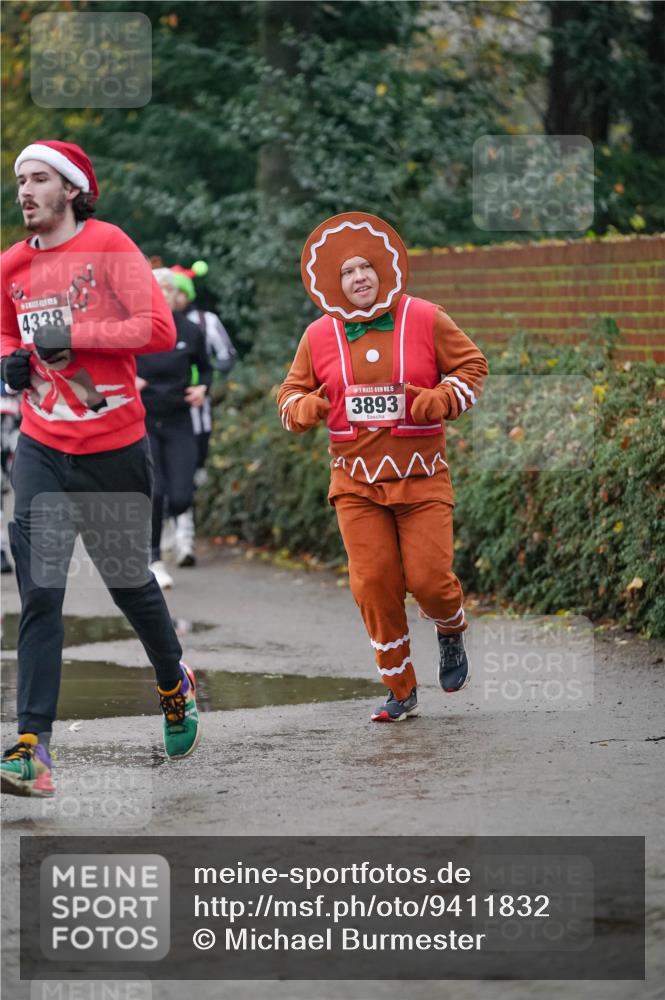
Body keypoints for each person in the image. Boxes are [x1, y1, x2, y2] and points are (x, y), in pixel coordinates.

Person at [0, 140, 201, 797]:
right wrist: (12, 358)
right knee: (40, 592)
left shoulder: (110, 245)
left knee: (127, 582)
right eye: (19, 181)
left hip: (113, 444)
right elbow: (6, 332)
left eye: (37, 180)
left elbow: (158, 330)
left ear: (70, 188)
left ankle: (173, 679)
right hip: (40, 446)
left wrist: (75, 336)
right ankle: (33, 748)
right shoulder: (10, 266)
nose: (25, 191)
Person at [277, 212, 489, 723]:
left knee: (431, 579)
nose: (358, 278)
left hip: (422, 474)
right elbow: (289, 395)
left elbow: (473, 367)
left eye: (366, 267)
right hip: (355, 483)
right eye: (348, 272)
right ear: (335, 282)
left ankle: (450, 627)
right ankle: (400, 687)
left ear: (385, 270)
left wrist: (441, 398)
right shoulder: (317, 336)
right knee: (373, 583)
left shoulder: (425, 316)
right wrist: (306, 409)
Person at [136, 268, 212, 588]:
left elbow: (205, 369)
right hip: (146, 420)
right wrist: (130, 380)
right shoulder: (136, 330)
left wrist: (203, 389)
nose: (163, 294)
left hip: (181, 421)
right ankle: (153, 559)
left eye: (168, 289)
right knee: (156, 490)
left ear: (175, 295)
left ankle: (169, 523)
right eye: (156, 288)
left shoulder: (191, 331)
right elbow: (114, 364)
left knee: (181, 496)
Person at [165, 260, 237, 567]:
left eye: (181, 292)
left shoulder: (206, 323)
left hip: (198, 415)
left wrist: (203, 380)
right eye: (172, 292)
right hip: (165, 413)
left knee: (192, 476)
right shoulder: (157, 324)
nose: (177, 298)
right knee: (171, 475)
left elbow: (226, 356)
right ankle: (183, 539)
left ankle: (182, 530)